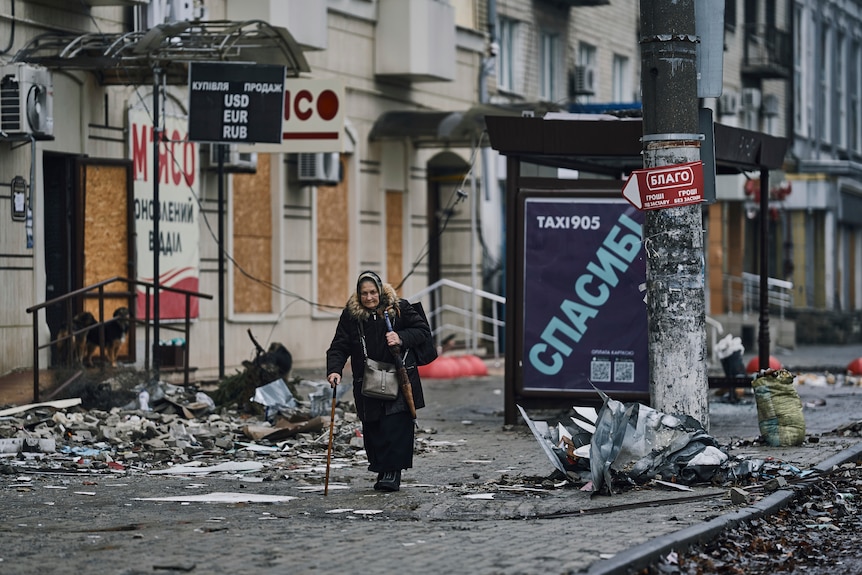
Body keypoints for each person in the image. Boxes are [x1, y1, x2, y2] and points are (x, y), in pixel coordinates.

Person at [326, 271, 431, 492]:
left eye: (373, 292)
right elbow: (339, 345)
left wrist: (401, 338)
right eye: (364, 293)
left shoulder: (399, 308)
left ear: (380, 291)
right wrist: (334, 370)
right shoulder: (351, 316)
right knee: (374, 427)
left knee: (396, 425)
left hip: (399, 377)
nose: (369, 297)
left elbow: (422, 330)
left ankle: (393, 473)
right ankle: (382, 469)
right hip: (368, 379)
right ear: (358, 294)